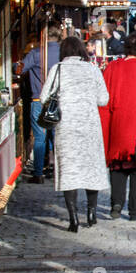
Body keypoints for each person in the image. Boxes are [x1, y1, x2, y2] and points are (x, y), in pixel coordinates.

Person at [42, 33, 109, 231]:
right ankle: (91, 213)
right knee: (91, 169)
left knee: (69, 172)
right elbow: (103, 99)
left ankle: (73, 219)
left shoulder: (58, 69)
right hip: (90, 127)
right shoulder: (93, 69)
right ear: (81, 50)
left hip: (67, 127)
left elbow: (45, 96)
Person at [100, 32, 136, 219]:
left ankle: (116, 204)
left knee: (117, 166)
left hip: (118, 123)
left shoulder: (112, 68)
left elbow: (104, 99)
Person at [22, 28, 61, 182]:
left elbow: (20, 68)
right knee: (56, 136)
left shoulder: (36, 54)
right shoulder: (63, 53)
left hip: (39, 99)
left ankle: (38, 173)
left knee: (40, 138)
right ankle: (56, 169)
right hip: (58, 100)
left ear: (43, 38)